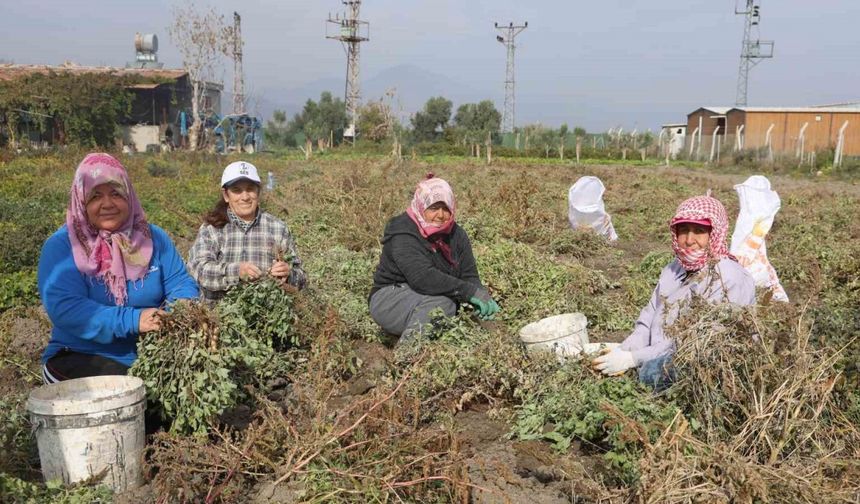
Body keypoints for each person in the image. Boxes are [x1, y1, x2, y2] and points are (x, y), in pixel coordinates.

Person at [38, 153, 199, 383]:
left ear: (129, 196)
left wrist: (182, 310)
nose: (107, 204)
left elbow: (180, 283)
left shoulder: (152, 238)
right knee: (131, 396)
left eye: (116, 193)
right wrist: (135, 320)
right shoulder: (63, 246)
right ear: (81, 200)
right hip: (81, 355)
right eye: (95, 196)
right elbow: (67, 308)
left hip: (148, 355)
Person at [592, 193, 755, 390]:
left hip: (704, 361)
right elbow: (649, 316)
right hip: (662, 350)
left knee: (652, 373)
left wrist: (634, 358)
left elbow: (696, 341)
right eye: (683, 230)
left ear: (714, 234)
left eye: (699, 231)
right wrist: (626, 349)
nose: (689, 240)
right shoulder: (674, 269)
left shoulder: (727, 276)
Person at [369, 174, 499, 344]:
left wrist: (481, 295)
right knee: (443, 305)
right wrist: (468, 292)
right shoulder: (403, 231)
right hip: (390, 298)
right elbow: (422, 277)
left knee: (452, 307)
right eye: (433, 208)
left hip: (426, 295)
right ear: (421, 206)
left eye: (446, 208)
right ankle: (407, 355)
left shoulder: (457, 234)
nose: (440, 215)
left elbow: (469, 276)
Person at [187, 161, 307, 301]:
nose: (245, 197)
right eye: (237, 190)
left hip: (268, 315)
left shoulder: (277, 228)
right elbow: (198, 269)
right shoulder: (212, 229)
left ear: (258, 192)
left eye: (250, 189)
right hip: (219, 315)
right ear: (226, 195)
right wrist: (236, 272)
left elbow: (301, 278)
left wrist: (288, 274)